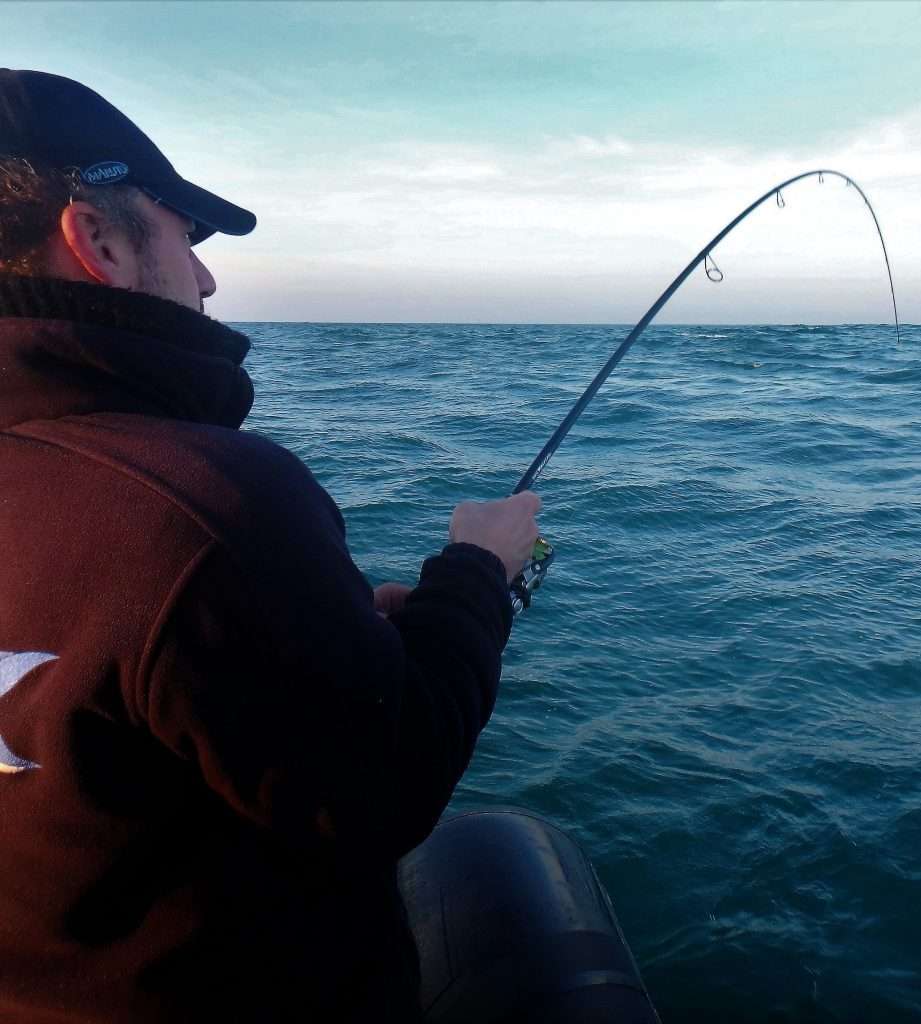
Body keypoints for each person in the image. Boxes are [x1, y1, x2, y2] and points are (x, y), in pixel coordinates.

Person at [0, 70, 541, 1023]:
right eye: (184, 237)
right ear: (101, 240)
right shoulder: (204, 506)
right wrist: (479, 574)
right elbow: (383, 788)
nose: (207, 278)